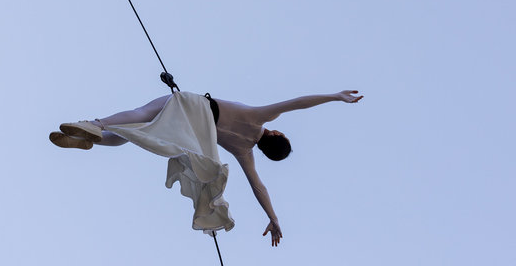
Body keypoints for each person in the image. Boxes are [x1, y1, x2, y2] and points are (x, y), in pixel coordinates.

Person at [50, 90, 364, 246]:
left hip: (197, 109)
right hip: (193, 133)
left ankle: (94, 125)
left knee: (142, 114)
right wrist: (273, 217)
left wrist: (335, 97)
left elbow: (296, 103)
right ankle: (93, 141)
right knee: (138, 135)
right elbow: (258, 186)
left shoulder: (259, 118)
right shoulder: (244, 152)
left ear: (277, 134)